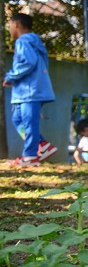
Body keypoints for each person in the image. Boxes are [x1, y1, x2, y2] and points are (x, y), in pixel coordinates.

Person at [3, 13, 58, 167]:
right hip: (27, 91)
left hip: (30, 91)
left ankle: (30, 156)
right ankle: (43, 145)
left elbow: (28, 62)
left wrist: (11, 76)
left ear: (17, 25)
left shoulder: (23, 41)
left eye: (9, 26)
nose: (9, 30)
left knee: (29, 123)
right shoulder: (35, 43)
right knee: (18, 120)